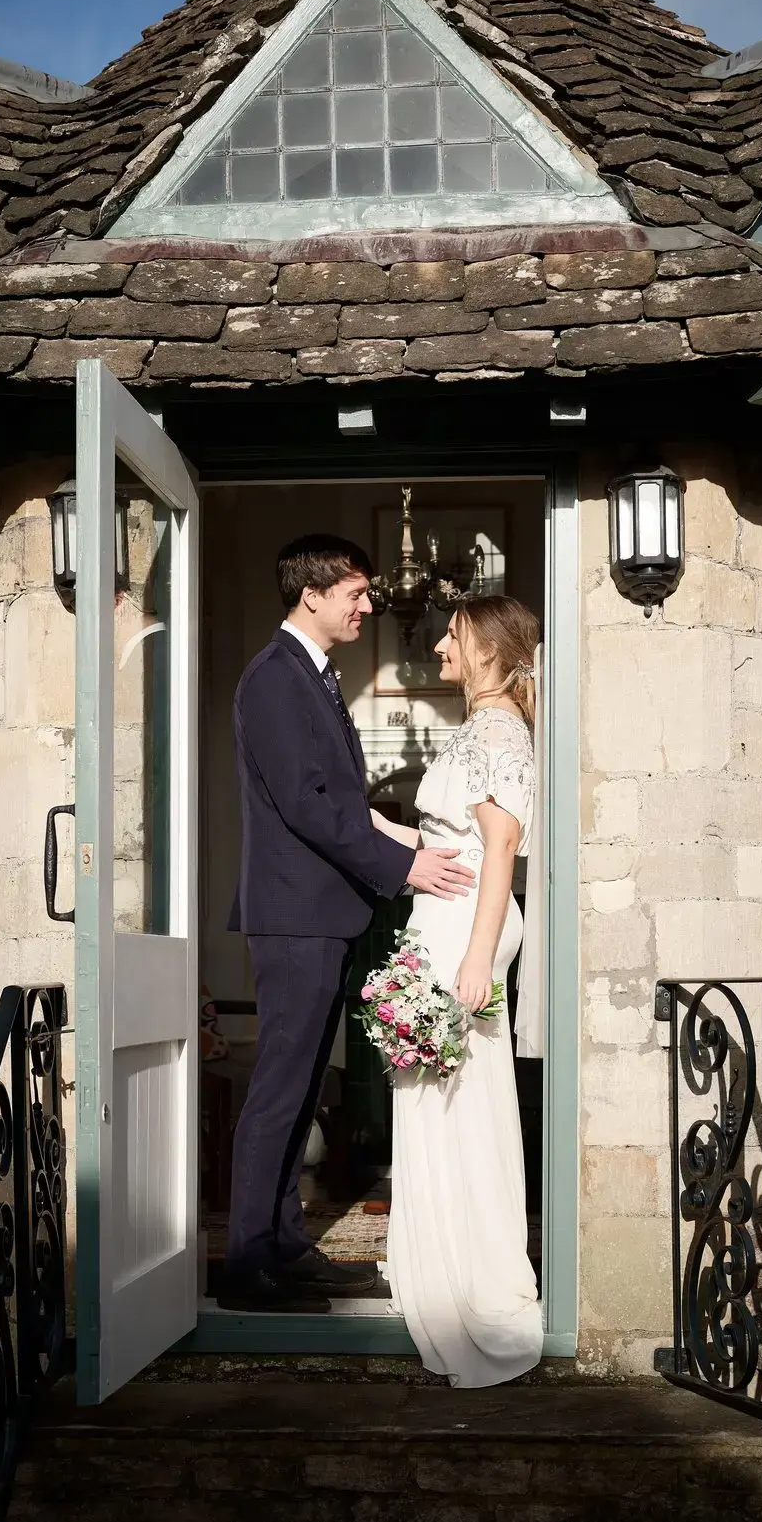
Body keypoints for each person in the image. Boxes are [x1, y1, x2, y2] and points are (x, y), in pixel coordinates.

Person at [221, 534, 476, 1314]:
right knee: (277, 1095)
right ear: (313, 596)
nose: (368, 607)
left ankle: (288, 1250)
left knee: (300, 1095)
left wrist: (409, 838)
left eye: (367, 595)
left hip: (319, 916)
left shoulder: (313, 676)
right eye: (357, 594)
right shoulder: (274, 679)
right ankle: (247, 1268)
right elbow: (307, 805)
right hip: (296, 919)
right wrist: (405, 871)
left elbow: (340, 800)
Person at [375, 595, 544, 1387]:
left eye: (453, 633)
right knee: (452, 1096)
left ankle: (463, 1272)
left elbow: (501, 845)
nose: (440, 643)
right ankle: (445, 1252)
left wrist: (476, 960)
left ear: (484, 648)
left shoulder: (495, 728)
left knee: (452, 1097)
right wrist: (366, 826)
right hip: (451, 913)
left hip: (463, 928)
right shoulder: (484, 727)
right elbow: (451, 838)